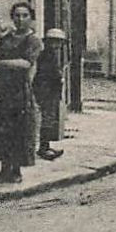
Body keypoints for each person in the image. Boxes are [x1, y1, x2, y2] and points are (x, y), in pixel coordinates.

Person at [0, 2, 42, 184]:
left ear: (31, 18)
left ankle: (16, 171)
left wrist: (1, 64)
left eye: (24, 16)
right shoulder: (7, 37)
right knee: (1, 128)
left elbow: (26, 63)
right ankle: (4, 169)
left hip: (19, 88)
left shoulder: (33, 40)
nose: (20, 20)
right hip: (2, 86)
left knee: (17, 129)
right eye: (17, 16)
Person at [33, 28, 67, 160]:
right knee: (46, 120)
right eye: (54, 42)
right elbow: (45, 74)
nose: (57, 45)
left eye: (59, 42)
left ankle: (45, 146)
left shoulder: (52, 54)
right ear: (48, 42)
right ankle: (43, 149)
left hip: (51, 91)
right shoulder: (45, 55)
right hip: (45, 91)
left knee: (49, 119)